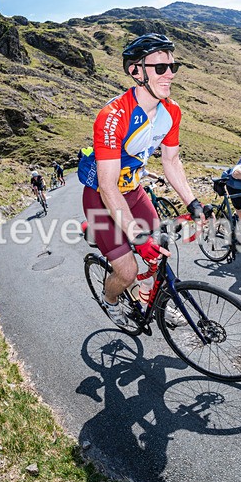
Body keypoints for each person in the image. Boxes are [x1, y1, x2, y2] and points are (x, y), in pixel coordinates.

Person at [80, 33, 207, 328]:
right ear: (136, 71)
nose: (169, 74)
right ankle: (110, 300)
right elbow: (108, 186)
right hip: (101, 200)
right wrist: (136, 236)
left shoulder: (172, 112)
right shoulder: (112, 116)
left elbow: (171, 161)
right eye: (160, 68)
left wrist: (194, 202)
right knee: (126, 270)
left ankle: (152, 298)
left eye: (172, 67)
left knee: (160, 247)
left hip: (134, 193)